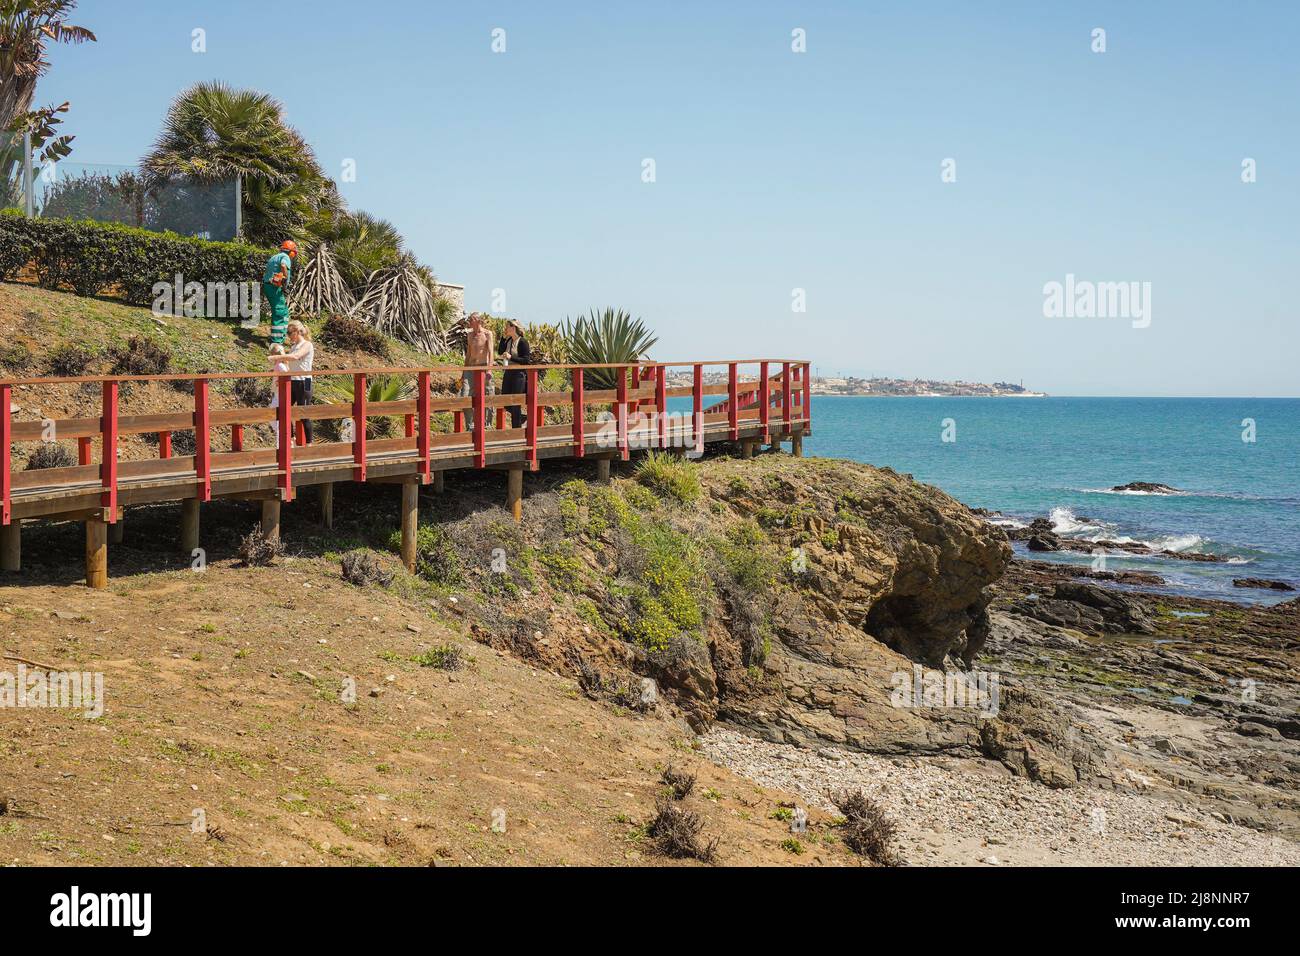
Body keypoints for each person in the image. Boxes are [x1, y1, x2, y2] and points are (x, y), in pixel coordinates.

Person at [268, 320, 314, 443]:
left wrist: (276, 357)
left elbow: (296, 357)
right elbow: (289, 364)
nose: (288, 336)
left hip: (306, 381)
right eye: (287, 333)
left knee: (303, 413)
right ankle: (291, 438)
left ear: (298, 332)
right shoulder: (293, 347)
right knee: (284, 409)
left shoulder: (307, 345)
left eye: (290, 333)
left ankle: (309, 444)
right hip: (293, 380)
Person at [460, 312, 495, 431]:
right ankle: (470, 426)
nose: (469, 321)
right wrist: (463, 372)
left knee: (488, 395)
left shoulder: (487, 334)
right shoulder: (469, 335)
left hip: (484, 368)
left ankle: (487, 425)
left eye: (471, 319)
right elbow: (468, 354)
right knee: (465, 395)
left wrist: (489, 370)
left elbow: (491, 353)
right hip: (470, 368)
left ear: (479, 321)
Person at [497, 319, 531, 429]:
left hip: (519, 375)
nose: (505, 329)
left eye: (507, 327)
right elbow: (500, 351)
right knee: (506, 401)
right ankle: (522, 418)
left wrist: (511, 357)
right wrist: (503, 338)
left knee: (515, 402)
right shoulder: (508, 340)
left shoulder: (522, 342)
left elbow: (526, 360)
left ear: (513, 328)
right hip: (508, 373)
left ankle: (516, 429)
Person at [262, 240, 297, 345]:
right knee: (280, 312)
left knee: (284, 311)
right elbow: (283, 265)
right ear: (291, 252)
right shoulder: (285, 257)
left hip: (268, 286)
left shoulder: (274, 257)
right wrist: (285, 279)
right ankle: (276, 341)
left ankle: (280, 335)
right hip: (274, 288)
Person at [268, 343, 287, 443]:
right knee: (275, 418)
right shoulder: (279, 365)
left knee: (273, 417)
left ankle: (283, 441)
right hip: (278, 393)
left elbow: (286, 375)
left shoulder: (280, 365)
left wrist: (279, 381)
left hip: (280, 394)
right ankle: (283, 440)